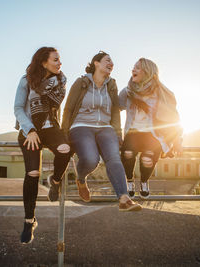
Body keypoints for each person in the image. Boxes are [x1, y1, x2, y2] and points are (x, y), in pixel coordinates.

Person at [62, 51, 142, 211]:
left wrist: (118, 133)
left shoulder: (111, 85)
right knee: (92, 160)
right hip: (81, 126)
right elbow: (69, 108)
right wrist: (64, 135)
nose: (111, 63)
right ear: (96, 63)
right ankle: (81, 179)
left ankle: (124, 198)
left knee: (114, 158)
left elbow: (114, 111)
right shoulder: (81, 82)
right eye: (107, 60)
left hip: (105, 127)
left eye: (112, 61)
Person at [14, 47, 71, 244]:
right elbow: (18, 108)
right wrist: (29, 130)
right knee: (32, 174)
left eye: (59, 59)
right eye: (55, 59)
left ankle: (54, 182)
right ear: (43, 62)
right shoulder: (26, 81)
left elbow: (56, 109)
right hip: (30, 129)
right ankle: (29, 220)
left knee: (65, 150)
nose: (59, 63)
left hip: (50, 127)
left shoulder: (61, 81)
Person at [119, 58, 182, 199]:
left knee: (148, 159)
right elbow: (114, 109)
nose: (133, 70)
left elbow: (174, 118)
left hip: (153, 134)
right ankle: (129, 181)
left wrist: (177, 140)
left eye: (137, 68)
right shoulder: (128, 91)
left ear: (147, 72)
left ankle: (144, 181)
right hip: (133, 132)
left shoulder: (162, 93)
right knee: (127, 153)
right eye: (133, 67)